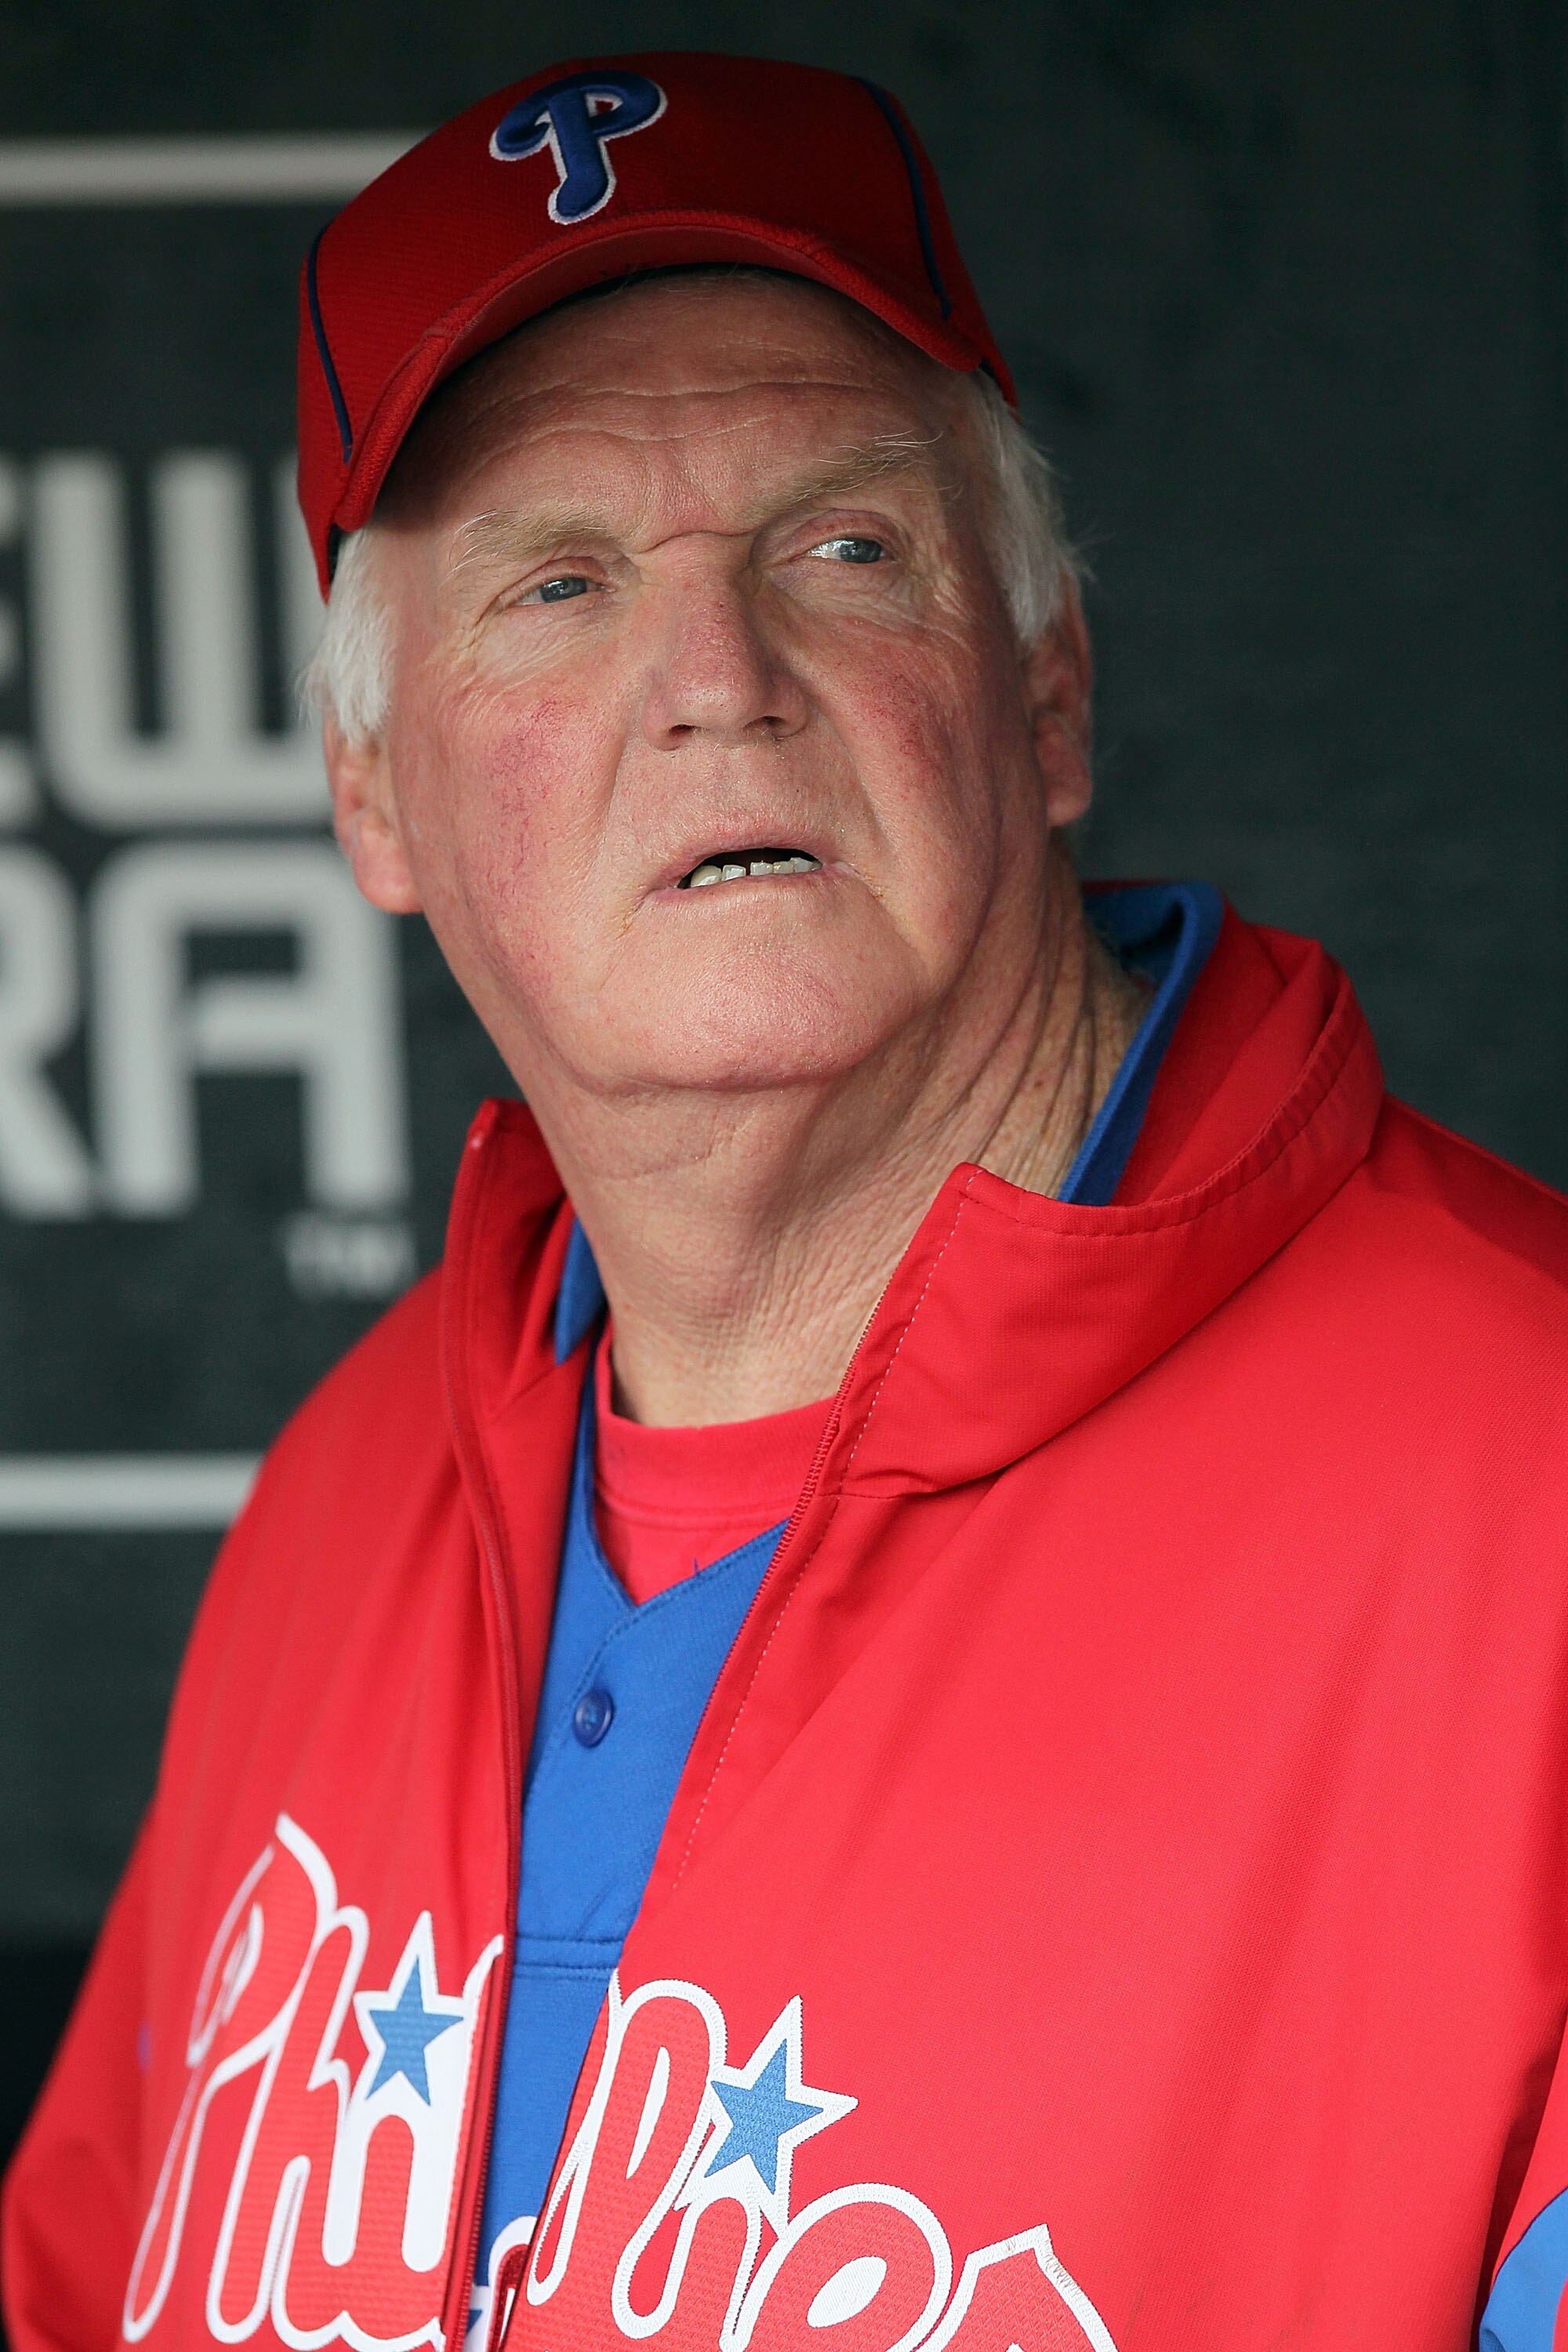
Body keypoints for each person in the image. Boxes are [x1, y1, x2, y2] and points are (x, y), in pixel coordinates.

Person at [4, 49, 1568, 2352]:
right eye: (555, 582)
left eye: (840, 546)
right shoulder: (346, 1505)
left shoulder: (1525, 1512)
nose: (715, 680)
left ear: (1047, 686)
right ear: (374, 793)